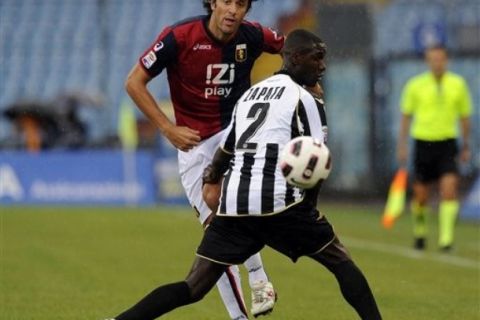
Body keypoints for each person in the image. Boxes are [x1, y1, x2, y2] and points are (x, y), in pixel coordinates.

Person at [109, 28, 382, 320]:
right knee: (340, 261)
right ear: (296, 57)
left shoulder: (249, 95)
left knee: (194, 286)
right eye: (317, 58)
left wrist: (211, 181)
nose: (323, 66)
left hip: (235, 208)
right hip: (281, 204)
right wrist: (308, 211)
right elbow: (316, 161)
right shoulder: (306, 99)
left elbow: (223, 154)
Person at [124, 0, 286, 318]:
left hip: (236, 137)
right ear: (212, 2)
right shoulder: (179, 37)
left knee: (231, 221)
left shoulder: (252, 35)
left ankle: (257, 281)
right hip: (194, 145)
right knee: (216, 230)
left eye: (241, 4)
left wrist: (284, 86)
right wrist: (168, 128)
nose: (233, 10)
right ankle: (254, 287)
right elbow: (134, 82)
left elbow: (291, 48)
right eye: (226, 1)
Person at [396, 45, 472, 251]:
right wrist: (402, 145)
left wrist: (466, 145)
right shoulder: (416, 85)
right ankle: (420, 232)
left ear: (446, 61)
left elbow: (465, 117)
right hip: (423, 142)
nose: (437, 63)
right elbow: (406, 116)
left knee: (449, 189)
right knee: (421, 194)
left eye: (441, 59)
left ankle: (446, 239)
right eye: (433, 59)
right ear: (428, 61)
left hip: (448, 143)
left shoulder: (458, 84)